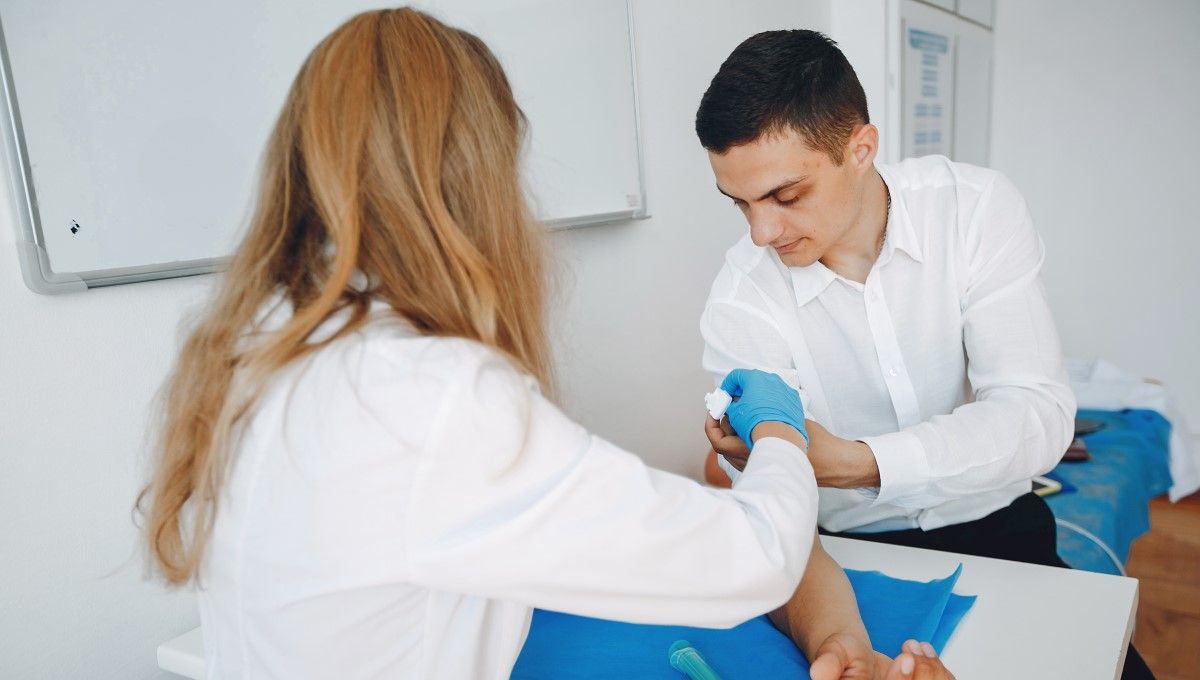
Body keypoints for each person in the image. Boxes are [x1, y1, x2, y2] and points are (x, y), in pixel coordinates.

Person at [136, 10, 946, 679]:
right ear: (475, 178)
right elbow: (752, 555)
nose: (765, 232)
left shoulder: (262, 348)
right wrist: (781, 427)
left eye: (786, 195)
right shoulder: (429, 395)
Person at [694, 29, 1151, 679]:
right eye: (740, 203)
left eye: (785, 196)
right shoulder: (742, 297)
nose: (761, 233)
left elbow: (1035, 413)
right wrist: (838, 639)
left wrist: (859, 462)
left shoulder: (973, 211)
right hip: (841, 557)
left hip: (996, 521)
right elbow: (775, 513)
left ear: (861, 149)